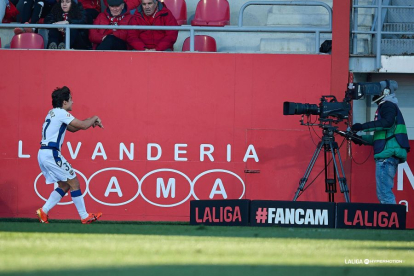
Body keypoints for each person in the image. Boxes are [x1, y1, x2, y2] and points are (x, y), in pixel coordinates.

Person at [36, 86, 103, 224]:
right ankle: (84, 216)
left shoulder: (52, 113)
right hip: (51, 153)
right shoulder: (61, 113)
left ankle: (44, 211)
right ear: (64, 102)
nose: (73, 102)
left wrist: (89, 121)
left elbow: (73, 128)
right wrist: (94, 117)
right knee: (74, 182)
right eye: (71, 100)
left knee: (65, 185)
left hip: (44, 153)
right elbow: (83, 125)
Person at [351, 80, 410, 204]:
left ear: (386, 92)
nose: (374, 94)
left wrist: (361, 126)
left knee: (385, 195)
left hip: (386, 158)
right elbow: (380, 138)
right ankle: (394, 221)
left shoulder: (387, 105)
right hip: (388, 156)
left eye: (377, 90)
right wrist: (359, 139)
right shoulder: (389, 106)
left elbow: (386, 123)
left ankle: (394, 222)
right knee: (384, 194)